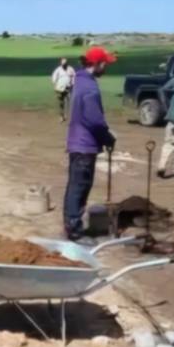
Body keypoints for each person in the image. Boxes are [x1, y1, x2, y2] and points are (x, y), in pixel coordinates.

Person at [63, 46, 118, 241]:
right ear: (96, 64)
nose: (106, 68)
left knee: (75, 186)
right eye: (105, 64)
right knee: (80, 187)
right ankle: (74, 230)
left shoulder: (81, 80)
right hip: (85, 144)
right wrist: (107, 138)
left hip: (78, 141)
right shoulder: (90, 88)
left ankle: (72, 226)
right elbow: (94, 120)